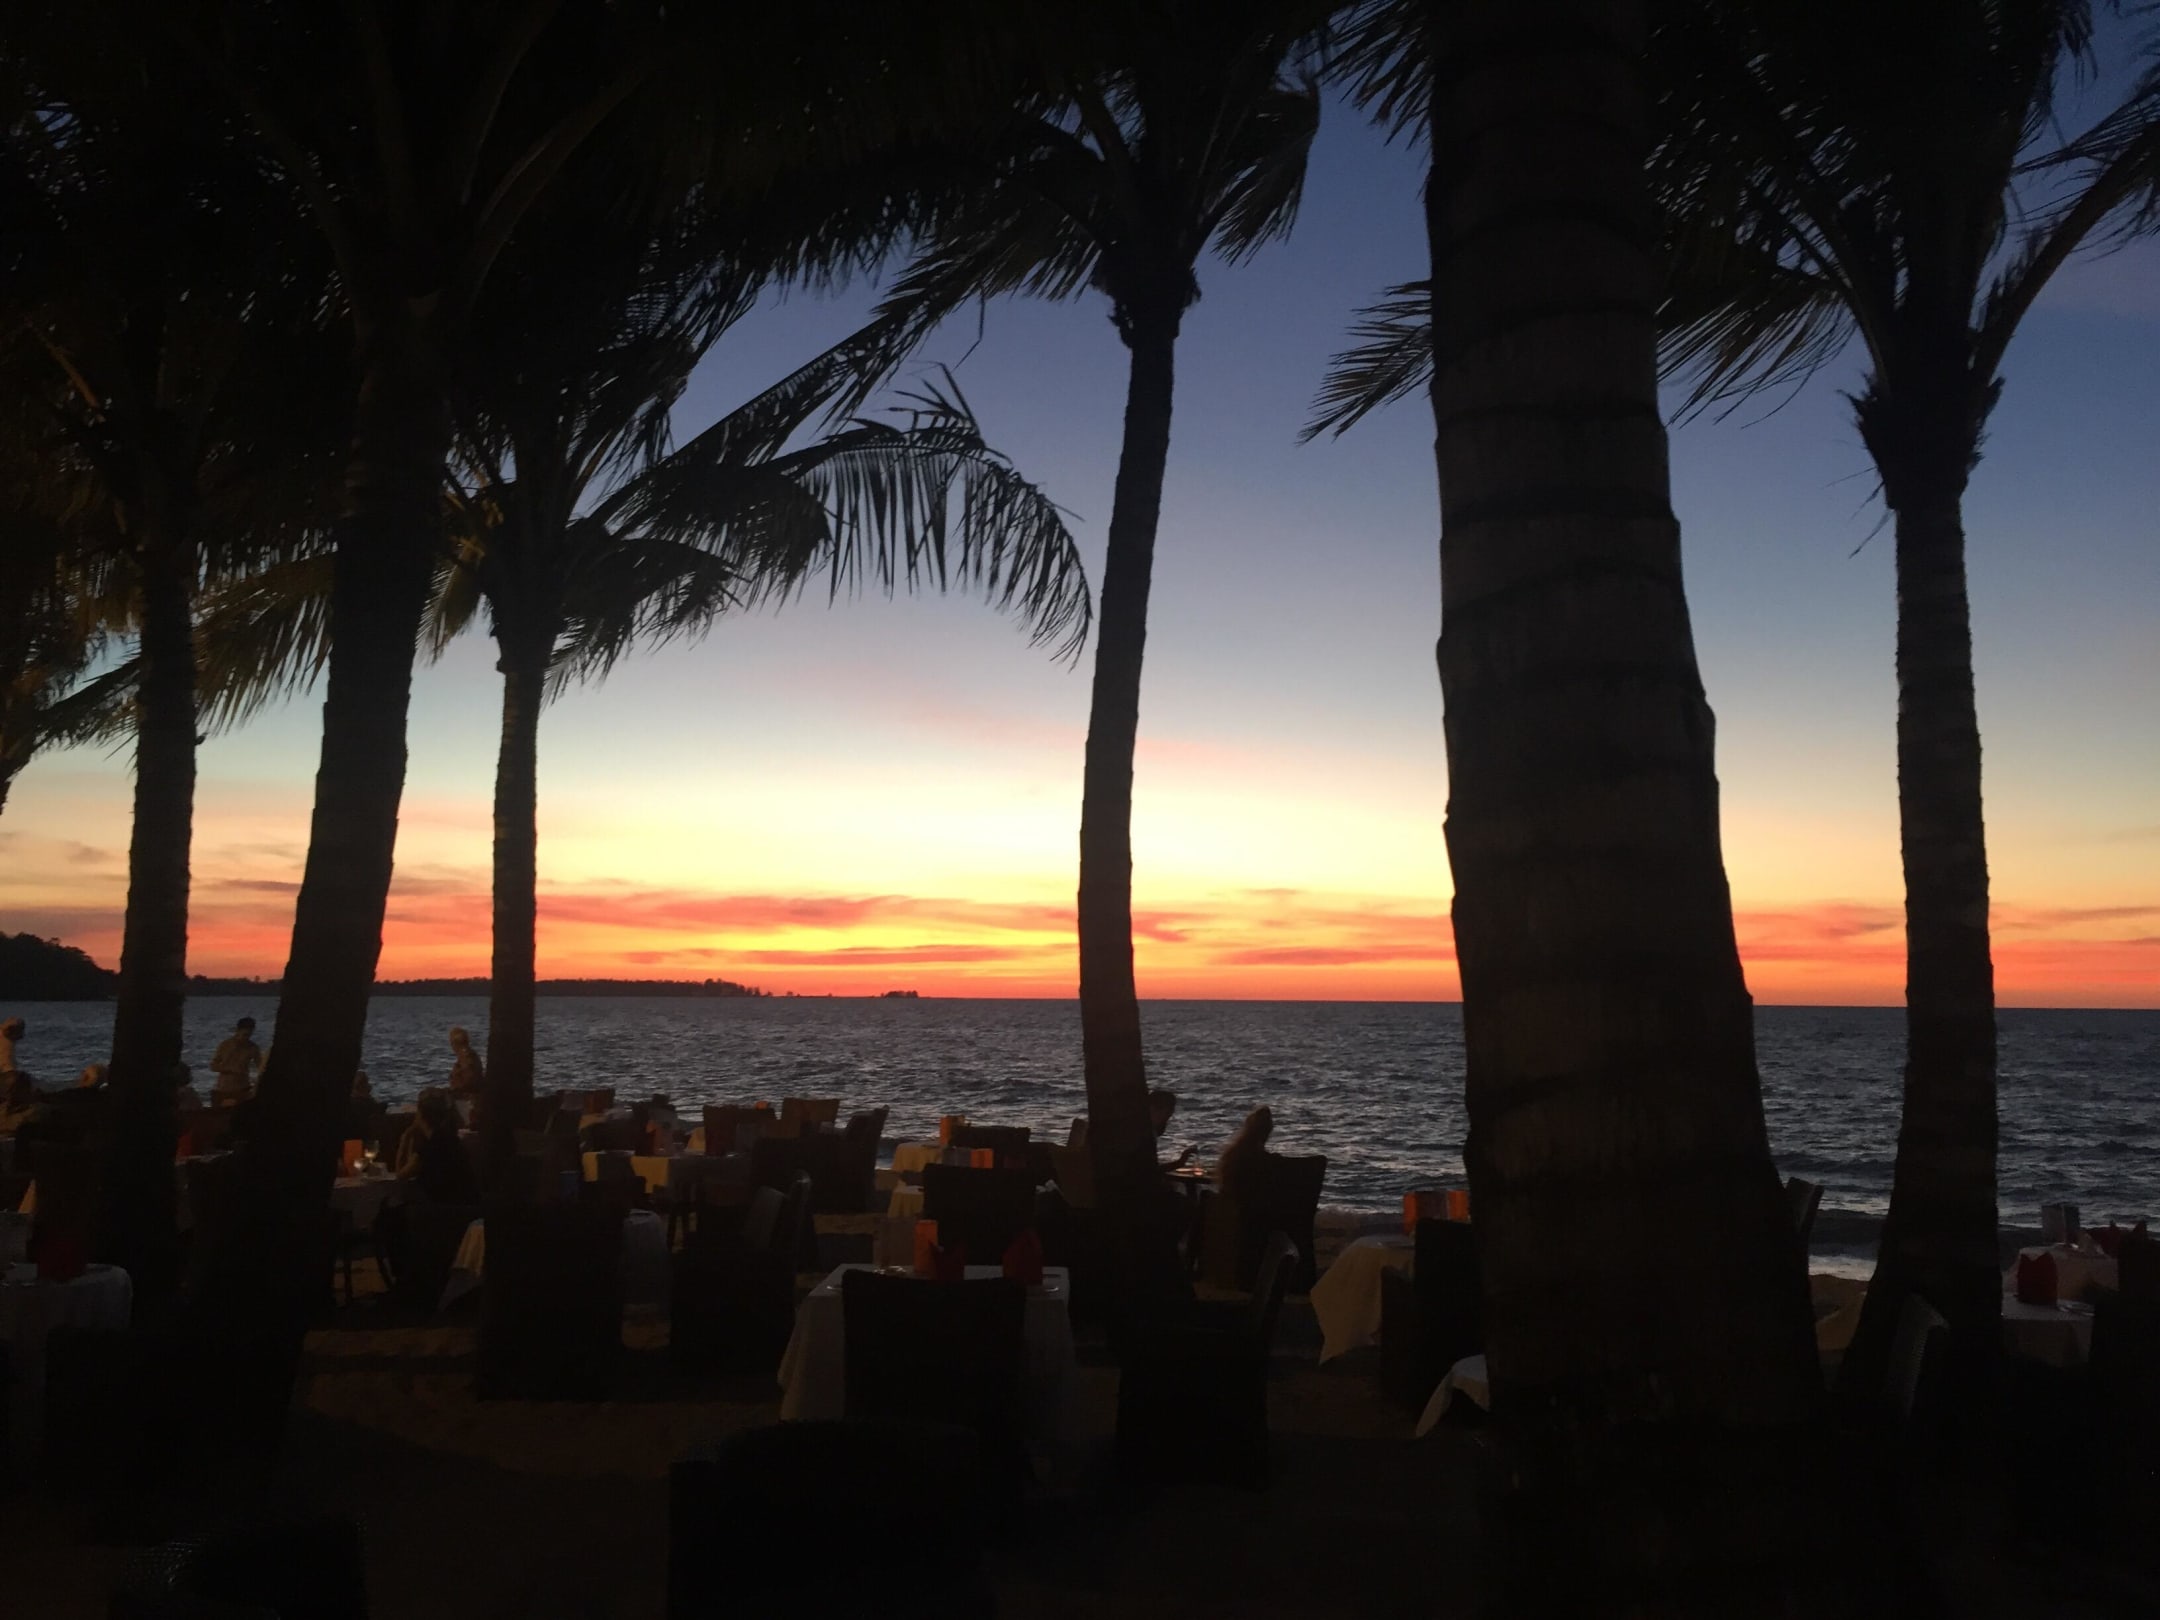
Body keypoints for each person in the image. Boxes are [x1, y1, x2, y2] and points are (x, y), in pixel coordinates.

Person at [395, 1087, 477, 1202]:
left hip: (442, 1207)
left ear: (420, 1114)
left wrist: (406, 1137)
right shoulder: (451, 1140)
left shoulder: (431, 1146)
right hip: (463, 1204)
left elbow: (400, 1175)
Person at [1215, 1105, 1275, 1206]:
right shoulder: (1262, 1160)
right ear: (1268, 1131)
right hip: (1247, 1208)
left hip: (1230, 1207)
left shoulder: (1232, 1154)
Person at [210, 1017, 263, 1104]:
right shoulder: (225, 1045)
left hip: (243, 1088)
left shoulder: (253, 1047)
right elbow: (213, 1066)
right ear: (237, 1031)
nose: (246, 1038)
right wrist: (229, 1069)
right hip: (224, 1088)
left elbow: (260, 1067)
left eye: (249, 1035)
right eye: (244, 1035)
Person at [1148, 1088, 1193, 1169]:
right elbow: (1147, 1170)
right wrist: (1179, 1163)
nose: (1167, 1113)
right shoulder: (1143, 1136)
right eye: (1159, 1108)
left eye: (1170, 1109)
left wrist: (1180, 1162)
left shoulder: (1150, 1133)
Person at [446, 1027, 483, 1096]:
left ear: (455, 1043)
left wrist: (455, 1090)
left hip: (466, 1094)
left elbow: (469, 1080)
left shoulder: (466, 1057)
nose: (451, 1046)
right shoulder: (470, 1054)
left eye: (451, 1042)